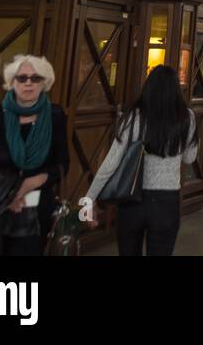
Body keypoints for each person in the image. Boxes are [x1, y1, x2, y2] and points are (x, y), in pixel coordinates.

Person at [0, 55, 68, 256]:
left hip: (35, 212)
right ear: (11, 82)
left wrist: (31, 183)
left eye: (36, 78)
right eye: (22, 78)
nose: (28, 83)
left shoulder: (55, 116)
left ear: (45, 83)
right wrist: (7, 192)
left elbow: (61, 164)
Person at [83, 65, 197, 255]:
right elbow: (190, 157)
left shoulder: (134, 117)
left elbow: (111, 162)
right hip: (167, 201)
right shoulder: (187, 118)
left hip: (131, 198)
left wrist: (88, 200)